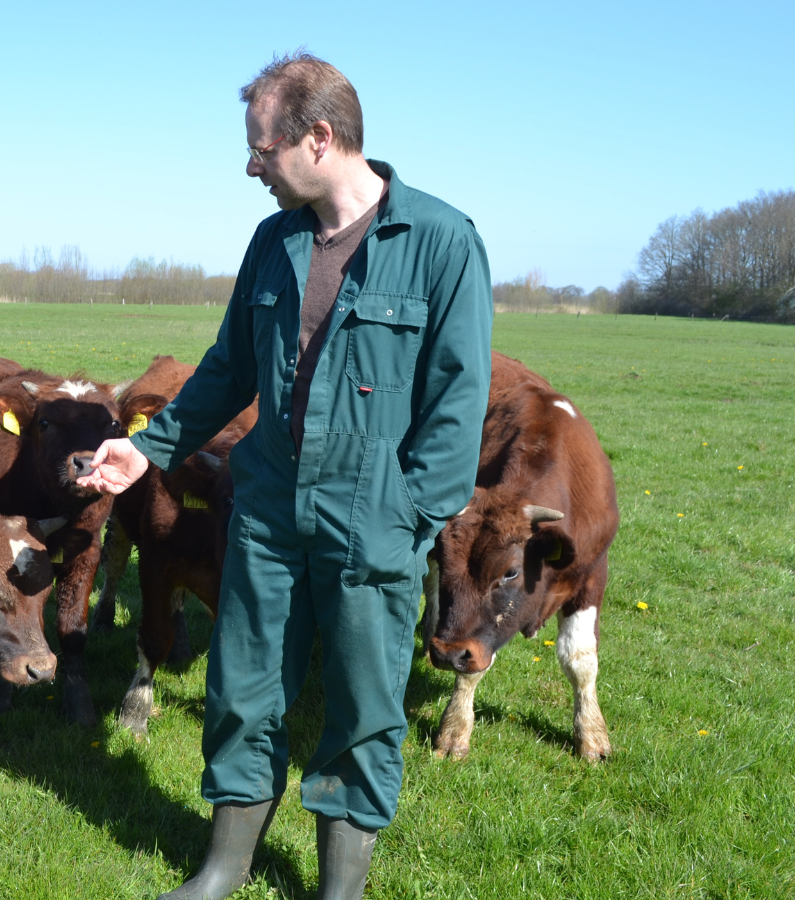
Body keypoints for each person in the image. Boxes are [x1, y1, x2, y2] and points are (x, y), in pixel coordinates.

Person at [78, 52, 492, 900]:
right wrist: (147, 448)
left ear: (319, 138)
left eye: (260, 149)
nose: (250, 166)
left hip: (372, 517)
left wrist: (409, 513)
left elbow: (460, 403)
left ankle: (339, 890)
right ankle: (222, 869)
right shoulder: (273, 244)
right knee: (242, 692)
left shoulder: (443, 242)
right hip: (267, 509)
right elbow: (228, 369)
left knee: (365, 711)